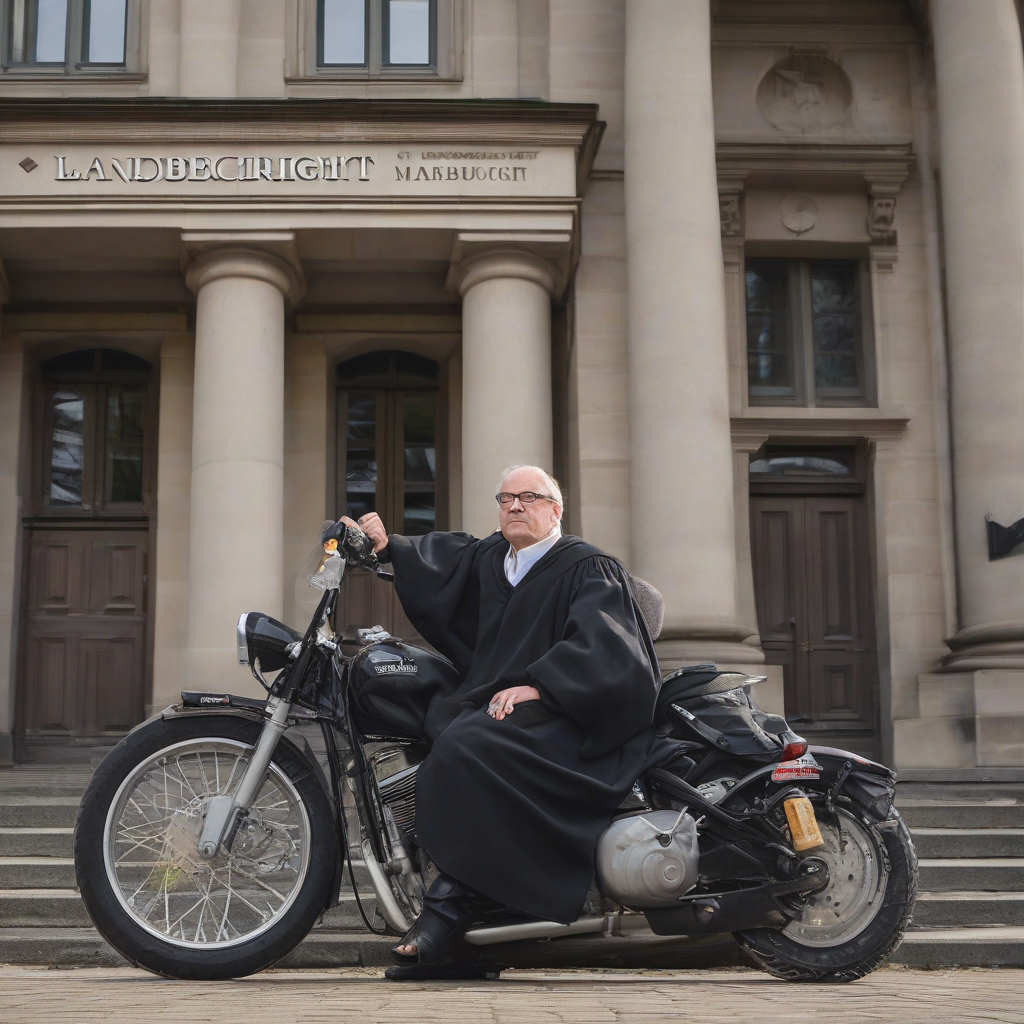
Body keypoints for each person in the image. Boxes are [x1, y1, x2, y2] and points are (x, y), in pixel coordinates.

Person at [345, 464, 664, 967]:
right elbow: (437, 563)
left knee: (471, 745)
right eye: (505, 498)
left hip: (569, 712)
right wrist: (387, 546)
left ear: (555, 510)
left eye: (529, 497)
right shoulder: (494, 557)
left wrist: (539, 686)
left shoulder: (586, 566)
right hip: (498, 701)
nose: (515, 506)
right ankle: (480, 911)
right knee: (443, 723)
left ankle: (453, 908)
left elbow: (607, 650)